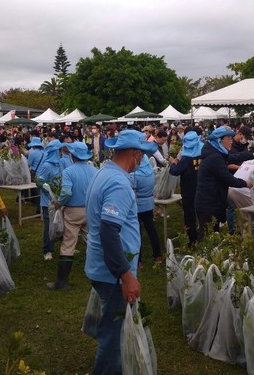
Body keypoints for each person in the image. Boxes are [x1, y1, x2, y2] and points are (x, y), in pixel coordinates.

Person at [84, 129, 158, 375]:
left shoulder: (104, 172)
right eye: (142, 155)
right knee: (114, 336)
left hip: (103, 267)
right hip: (112, 272)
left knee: (112, 328)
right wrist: (126, 275)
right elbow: (109, 231)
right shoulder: (118, 183)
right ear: (136, 154)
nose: (142, 160)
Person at [47, 142, 97, 290]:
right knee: (93, 243)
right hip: (90, 210)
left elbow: (67, 192)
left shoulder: (69, 171)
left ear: (72, 155)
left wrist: (59, 203)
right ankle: (101, 276)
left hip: (73, 211)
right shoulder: (94, 170)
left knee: (68, 245)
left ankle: (62, 282)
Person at [194, 127, 252, 240]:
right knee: (207, 238)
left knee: (213, 236)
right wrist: (246, 183)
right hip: (208, 204)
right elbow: (228, 179)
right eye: (228, 139)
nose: (231, 141)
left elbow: (234, 157)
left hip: (212, 202)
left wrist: (251, 155)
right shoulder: (215, 158)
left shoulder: (217, 153)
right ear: (219, 141)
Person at [169, 131, 202, 246]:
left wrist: (173, 163)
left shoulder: (186, 158)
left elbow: (175, 172)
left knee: (189, 215)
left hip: (188, 190)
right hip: (201, 188)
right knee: (201, 214)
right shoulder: (201, 154)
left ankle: (191, 241)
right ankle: (203, 237)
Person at [130, 154, 162, 267]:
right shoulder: (149, 169)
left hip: (137, 204)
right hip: (149, 203)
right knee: (151, 229)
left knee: (136, 233)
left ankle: (139, 260)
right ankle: (157, 255)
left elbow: (131, 191)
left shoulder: (135, 174)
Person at [36, 140, 62, 261]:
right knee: (49, 226)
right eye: (59, 150)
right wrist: (49, 190)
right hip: (48, 202)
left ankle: (62, 245)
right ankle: (47, 250)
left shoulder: (59, 164)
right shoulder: (46, 166)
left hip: (59, 200)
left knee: (59, 224)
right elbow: (39, 181)